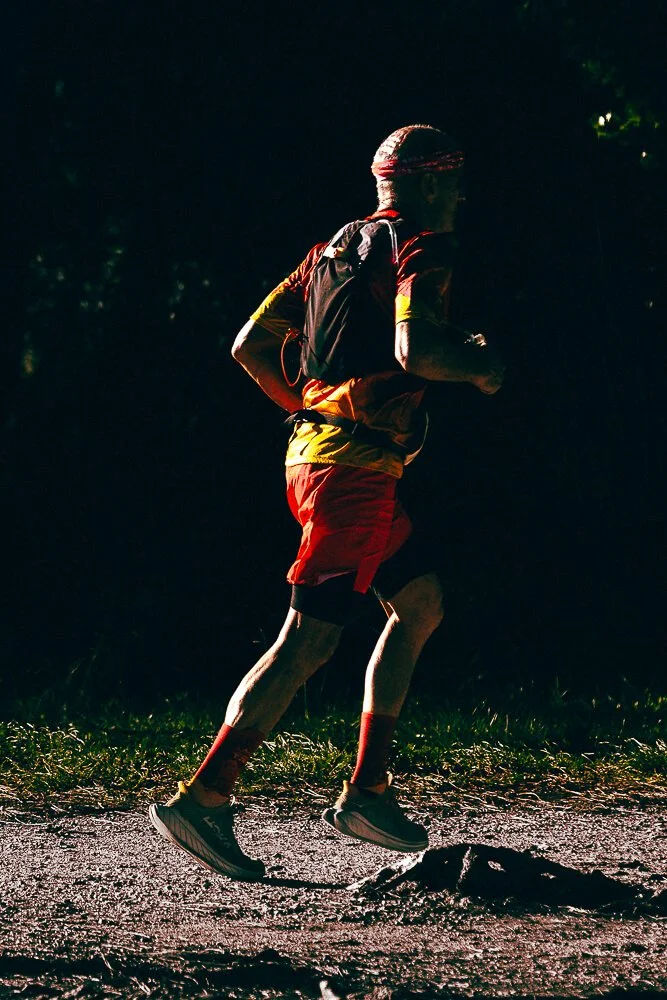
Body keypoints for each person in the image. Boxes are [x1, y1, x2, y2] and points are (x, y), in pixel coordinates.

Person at [149, 124, 504, 881]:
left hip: (314, 457)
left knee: (420, 603)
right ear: (435, 183)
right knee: (307, 641)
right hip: (352, 473)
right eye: (456, 181)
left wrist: (313, 409)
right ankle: (204, 797)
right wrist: (479, 368)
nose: (461, 195)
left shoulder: (330, 251)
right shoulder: (422, 246)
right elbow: (417, 354)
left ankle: (367, 792)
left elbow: (250, 344)